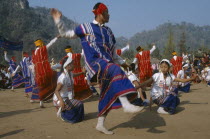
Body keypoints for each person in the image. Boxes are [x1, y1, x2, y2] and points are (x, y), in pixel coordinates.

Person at [51, 3, 142, 134]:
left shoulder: (109, 32)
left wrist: (127, 67)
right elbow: (66, 33)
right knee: (115, 69)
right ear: (100, 14)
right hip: (95, 65)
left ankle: (100, 123)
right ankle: (126, 105)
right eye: (107, 12)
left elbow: (114, 55)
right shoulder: (85, 27)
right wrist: (58, 20)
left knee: (106, 94)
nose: (109, 15)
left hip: (108, 66)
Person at [53, 53, 85, 123]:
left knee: (79, 105)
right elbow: (56, 91)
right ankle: (63, 114)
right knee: (78, 107)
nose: (73, 65)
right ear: (67, 66)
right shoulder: (63, 77)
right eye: (72, 64)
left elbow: (74, 75)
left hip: (66, 98)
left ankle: (69, 113)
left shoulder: (69, 73)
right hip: (60, 99)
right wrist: (61, 101)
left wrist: (82, 73)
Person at [31, 37, 59, 107]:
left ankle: (41, 102)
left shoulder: (34, 53)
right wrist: (56, 38)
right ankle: (57, 98)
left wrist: (35, 73)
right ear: (41, 43)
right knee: (54, 80)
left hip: (38, 72)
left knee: (41, 86)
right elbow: (50, 44)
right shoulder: (43, 49)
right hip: (45, 69)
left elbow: (33, 63)